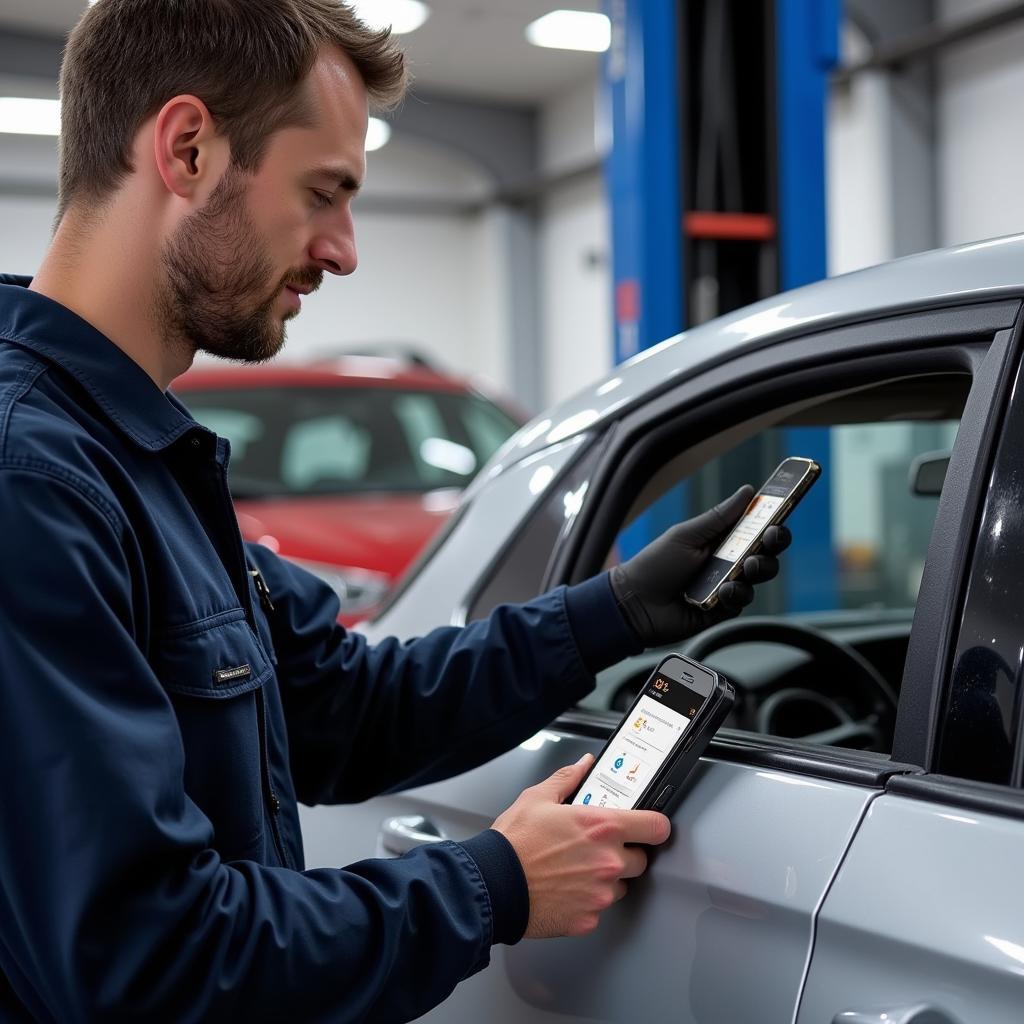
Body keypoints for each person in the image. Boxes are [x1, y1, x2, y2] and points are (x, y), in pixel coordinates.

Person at [0, 1, 790, 1020]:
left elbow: (341, 711)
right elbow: (142, 959)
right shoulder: (36, 480)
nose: (342, 250)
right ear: (187, 148)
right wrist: (493, 883)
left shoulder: (138, 456)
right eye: (322, 193)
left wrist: (615, 611)